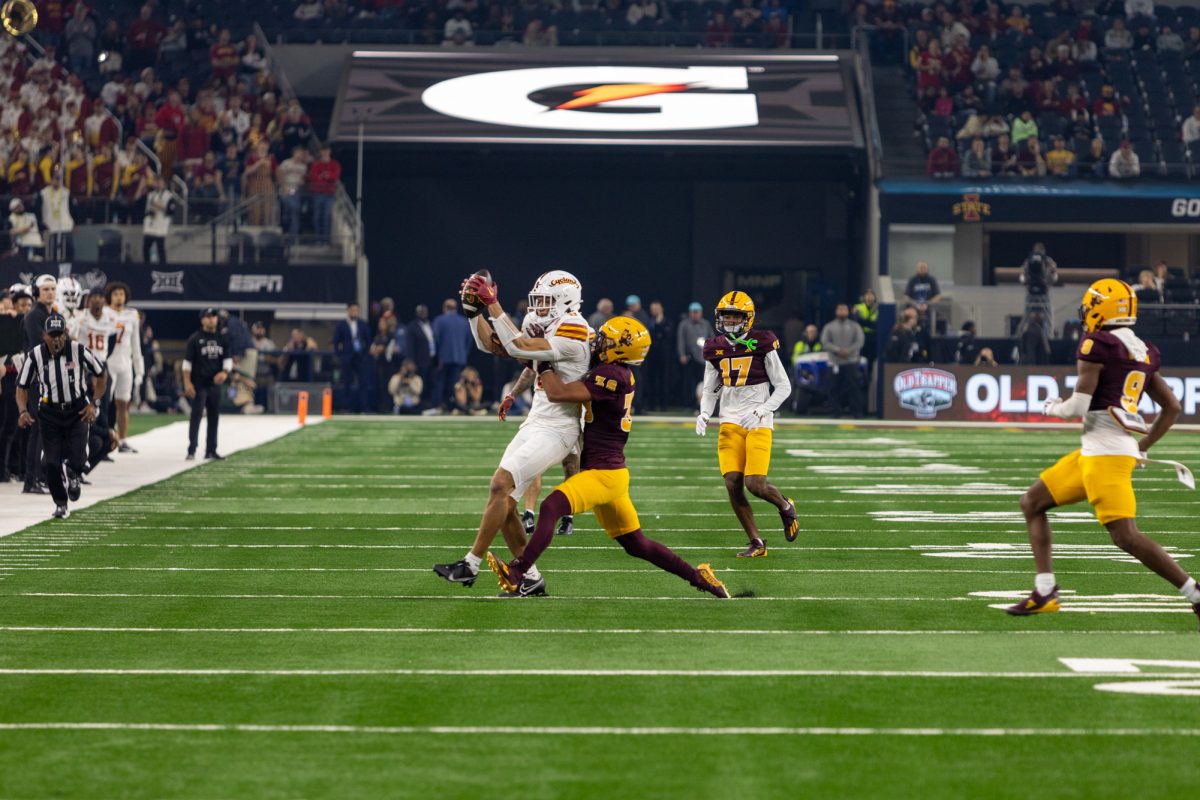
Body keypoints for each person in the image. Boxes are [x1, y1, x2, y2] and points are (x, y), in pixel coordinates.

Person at [488, 316, 730, 600]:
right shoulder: (615, 372)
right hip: (611, 474)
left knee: (552, 507)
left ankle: (519, 571)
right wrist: (541, 349)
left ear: (621, 348)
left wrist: (544, 361)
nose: (599, 342)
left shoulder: (612, 376)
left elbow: (558, 392)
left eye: (607, 340)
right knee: (638, 545)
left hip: (603, 474)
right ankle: (700, 578)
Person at [1011, 278, 1200, 631]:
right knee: (1031, 502)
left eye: (1089, 306)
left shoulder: (1097, 344)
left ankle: (1196, 594)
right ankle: (1045, 592)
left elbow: (1077, 407)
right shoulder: (1143, 349)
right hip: (1097, 452)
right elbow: (1172, 407)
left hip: (1105, 457)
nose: (1085, 314)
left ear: (1101, 308)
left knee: (1126, 537)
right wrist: (1140, 447)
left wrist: (1052, 406)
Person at [433, 270, 591, 596]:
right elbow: (496, 345)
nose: (539, 308)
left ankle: (470, 564)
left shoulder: (575, 327)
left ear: (567, 302)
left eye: (547, 301)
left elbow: (518, 343)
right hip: (537, 420)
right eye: (539, 301)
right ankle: (530, 578)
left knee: (499, 484)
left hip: (560, 427)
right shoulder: (545, 321)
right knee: (504, 502)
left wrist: (492, 304)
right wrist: (473, 313)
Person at [696, 292, 797, 558]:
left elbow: (784, 386)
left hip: (758, 420)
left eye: (735, 315)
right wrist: (704, 413)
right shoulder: (713, 347)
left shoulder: (763, 342)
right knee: (732, 483)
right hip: (729, 420)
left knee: (755, 484)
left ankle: (785, 506)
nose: (729, 320)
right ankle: (756, 542)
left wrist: (763, 409)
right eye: (726, 315)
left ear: (747, 318)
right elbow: (710, 388)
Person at [15, 313, 107, 519]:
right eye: (52, 335)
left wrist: (94, 403)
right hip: (49, 412)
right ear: (43, 335)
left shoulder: (78, 350)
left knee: (80, 459)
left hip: (78, 411)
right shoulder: (35, 355)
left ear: (66, 334)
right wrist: (22, 411)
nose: (56, 340)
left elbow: (101, 373)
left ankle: (74, 474)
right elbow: (21, 387)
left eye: (60, 335)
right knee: (51, 464)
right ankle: (60, 503)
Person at [182, 308, 231, 460]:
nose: (211, 320)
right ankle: (192, 449)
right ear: (202, 319)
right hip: (199, 382)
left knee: (214, 416)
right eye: (208, 317)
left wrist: (224, 373)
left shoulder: (222, 338)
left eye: (213, 317)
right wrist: (187, 382)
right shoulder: (195, 338)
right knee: (196, 415)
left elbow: (227, 360)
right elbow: (187, 363)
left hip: (214, 383)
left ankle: (211, 449)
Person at [104, 282, 145, 452]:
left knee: (123, 403)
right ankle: (105, 439)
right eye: (115, 294)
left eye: (121, 294)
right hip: (109, 362)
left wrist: (139, 370)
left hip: (125, 363)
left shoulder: (132, 314)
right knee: (105, 403)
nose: (119, 297)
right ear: (110, 296)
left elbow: (136, 343)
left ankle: (122, 440)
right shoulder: (104, 313)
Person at [820, 303, 865, 418]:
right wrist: (837, 350)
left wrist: (848, 351)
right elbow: (825, 342)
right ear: (836, 311)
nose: (842, 311)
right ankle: (835, 412)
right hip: (834, 362)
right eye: (840, 309)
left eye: (844, 309)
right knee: (833, 388)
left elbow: (860, 341)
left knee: (854, 387)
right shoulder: (829, 326)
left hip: (851, 361)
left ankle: (856, 412)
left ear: (848, 311)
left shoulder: (855, 326)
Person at [431, 298, 471, 410]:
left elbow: (435, 339)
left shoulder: (439, 320)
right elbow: (469, 341)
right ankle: (453, 406)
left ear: (445, 307)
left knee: (440, 382)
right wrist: (464, 354)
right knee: (454, 383)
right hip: (459, 357)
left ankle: (438, 405)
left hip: (444, 357)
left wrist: (437, 356)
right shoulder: (464, 321)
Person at [333, 301, 372, 413]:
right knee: (347, 383)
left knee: (363, 382)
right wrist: (340, 355)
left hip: (360, 356)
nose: (355, 312)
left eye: (356, 310)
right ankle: (347, 407)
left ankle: (363, 407)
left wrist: (365, 354)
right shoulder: (342, 325)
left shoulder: (362, 324)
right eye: (353, 310)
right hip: (347, 357)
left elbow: (368, 340)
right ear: (348, 311)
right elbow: (336, 341)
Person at [676, 302, 713, 409]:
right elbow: (681, 340)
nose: (695, 314)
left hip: (703, 358)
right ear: (690, 313)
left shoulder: (706, 324)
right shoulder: (684, 324)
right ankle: (687, 403)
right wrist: (682, 354)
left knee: (702, 382)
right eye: (693, 312)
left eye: (697, 312)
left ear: (701, 313)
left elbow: (712, 338)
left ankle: (700, 404)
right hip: (689, 357)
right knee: (688, 382)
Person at [1020, 243, 1058, 340]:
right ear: (1044, 251)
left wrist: (1026, 283)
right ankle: (1049, 337)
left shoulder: (1028, 261)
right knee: (1048, 315)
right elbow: (1055, 278)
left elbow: (1022, 278)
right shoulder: (1049, 261)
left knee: (1027, 315)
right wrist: (1048, 283)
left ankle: (1022, 336)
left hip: (1031, 292)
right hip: (1043, 293)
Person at [308, 145, 340, 245]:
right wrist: (325, 177)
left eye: (326, 150)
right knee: (317, 216)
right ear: (321, 152)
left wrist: (324, 176)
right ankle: (318, 239)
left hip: (329, 194)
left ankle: (325, 239)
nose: (325, 153)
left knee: (327, 216)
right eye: (323, 151)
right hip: (318, 193)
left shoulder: (335, 164)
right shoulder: (316, 164)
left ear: (329, 152)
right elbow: (313, 177)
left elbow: (334, 176)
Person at [39, 170, 74, 262]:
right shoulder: (44, 193)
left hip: (65, 225)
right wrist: (41, 225)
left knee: (67, 249)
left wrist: (75, 223)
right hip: (49, 225)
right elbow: (38, 209)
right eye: (55, 179)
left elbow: (73, 209)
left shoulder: (66, 193)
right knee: (51, 250)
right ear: (51, 179)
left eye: (59, 179)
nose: (57, 181)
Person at [644, 300, 672, 411]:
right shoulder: (649, 321)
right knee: (651, 379)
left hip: (664, 355)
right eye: (652, 309)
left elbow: (667, 335)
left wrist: (659, 325)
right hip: (651, 354)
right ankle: (651, 404)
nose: (654, 311)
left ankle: (663, 404)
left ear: (661, 309)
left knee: (663, 379)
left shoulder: (667, 321)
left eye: (656, 308)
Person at [141, 174, 173, 264]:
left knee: (160, 248)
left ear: (163, 183)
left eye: (160, 182)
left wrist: (161, 206)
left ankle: (163, 266)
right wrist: (150, 212)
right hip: (151, 224)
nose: (158, 184)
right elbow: (146, 210)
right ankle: (147, 266)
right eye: (156, 182)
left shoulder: (168, 196)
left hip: (161, 224)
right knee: (146, 247)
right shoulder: (151, 195)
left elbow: (171, 211)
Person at [904, 261, 942, 326]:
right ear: (917, 269)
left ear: (927, 269)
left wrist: (927, 304)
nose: (922, 269)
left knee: (936, 314)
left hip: (929, 306)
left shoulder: (932, 280)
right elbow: (906, 297)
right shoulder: (912, 280)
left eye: (924, 268)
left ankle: (931, 331)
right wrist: (915, 304)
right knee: (907, 314)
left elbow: (938, 296)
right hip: (914, 305)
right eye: (920, 268)